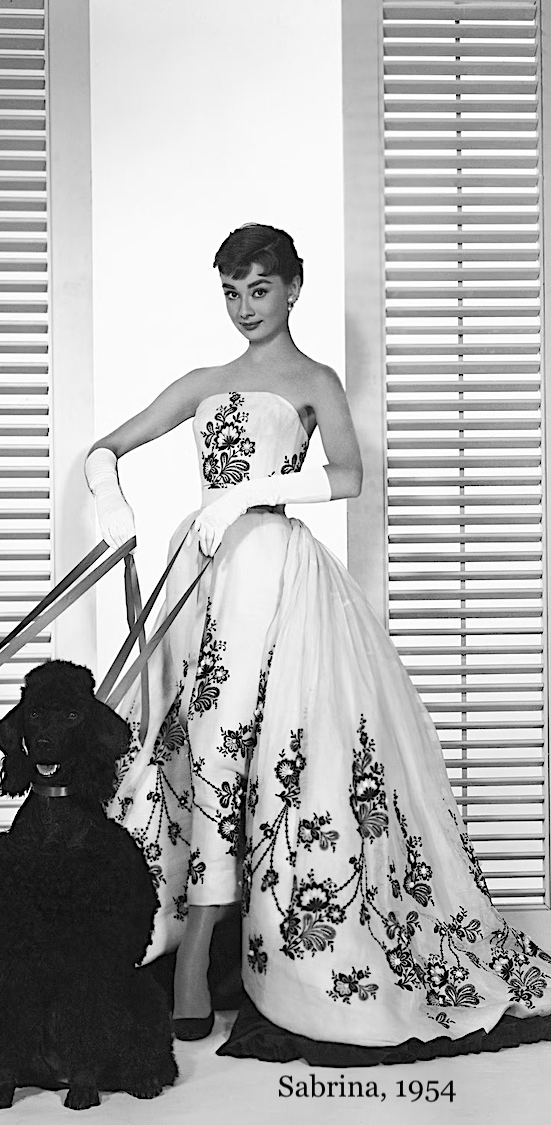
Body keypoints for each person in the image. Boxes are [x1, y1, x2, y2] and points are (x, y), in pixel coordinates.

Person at [84, 223, 551, 1063]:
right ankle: (187, 940)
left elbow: (348, 474)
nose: (244, 307)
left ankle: (205, 953)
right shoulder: (205, 381)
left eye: (259, 289)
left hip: (271, 566)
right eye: (231, 292)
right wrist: (109, 492)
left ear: (293, 288)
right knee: (195, 742)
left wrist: (252, 492)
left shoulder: (314, 380)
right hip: (204, 568)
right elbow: (106, 446)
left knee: (256, 747)